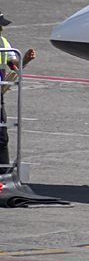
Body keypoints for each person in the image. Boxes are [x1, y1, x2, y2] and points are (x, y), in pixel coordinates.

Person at [0, 13, 37, 171]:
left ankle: (4, 173)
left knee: (1, 136)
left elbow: (14, 64)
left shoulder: (2, 42)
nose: (1, 28)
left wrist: (25, 60)